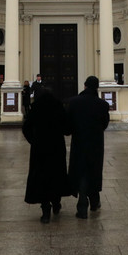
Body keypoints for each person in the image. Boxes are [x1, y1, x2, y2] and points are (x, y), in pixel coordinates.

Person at [65, 75, 110, 219]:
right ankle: (95, 202)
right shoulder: (102, 105)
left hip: (79, 144)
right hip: (96, 144)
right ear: (97, 87)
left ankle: (82, 205)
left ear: (84, 86)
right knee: (94, 171)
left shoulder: (73, 102)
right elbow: (104, 125)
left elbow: (68, 127)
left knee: (82, 172)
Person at [22, 88, 69, 223]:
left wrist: (34, 141)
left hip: (40, 149)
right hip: (56, 148)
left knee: (42, 177)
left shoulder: (36, 108)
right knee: (56, 175)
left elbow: (26, 128)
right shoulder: (58, 107)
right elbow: (66, 127)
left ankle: (45, 210)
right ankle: (56, 202)